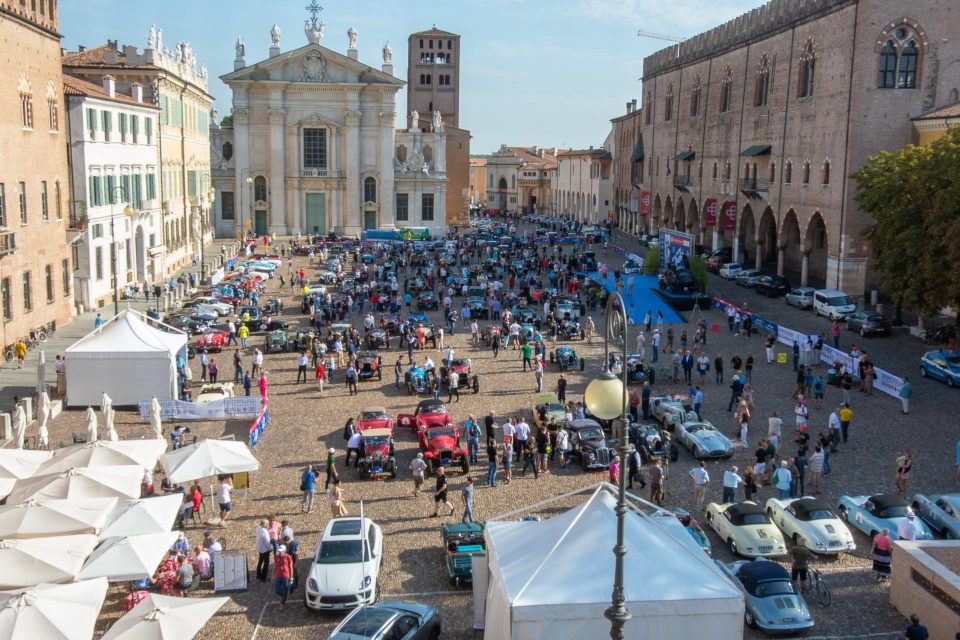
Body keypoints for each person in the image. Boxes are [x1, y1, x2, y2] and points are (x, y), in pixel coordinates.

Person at [273, 545, 294, 609]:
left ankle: (282, 603)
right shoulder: (277, 557)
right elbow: (275, 566)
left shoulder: (288, 557)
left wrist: (291, 577)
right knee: (277, 590)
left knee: (285, 589)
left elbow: (290, 567)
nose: (279, 553)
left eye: (281, 552)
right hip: (278, 576)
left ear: (284, 551)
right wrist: (273, 575)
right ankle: (284, 595)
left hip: (286, 576)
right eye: (279, 551)